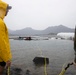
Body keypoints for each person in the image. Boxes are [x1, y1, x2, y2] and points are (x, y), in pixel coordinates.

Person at [0, 0, 12, 75]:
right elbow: (1, 42)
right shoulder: (0, 23)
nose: (7, 11)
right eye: (7, 9)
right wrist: (7, 59)